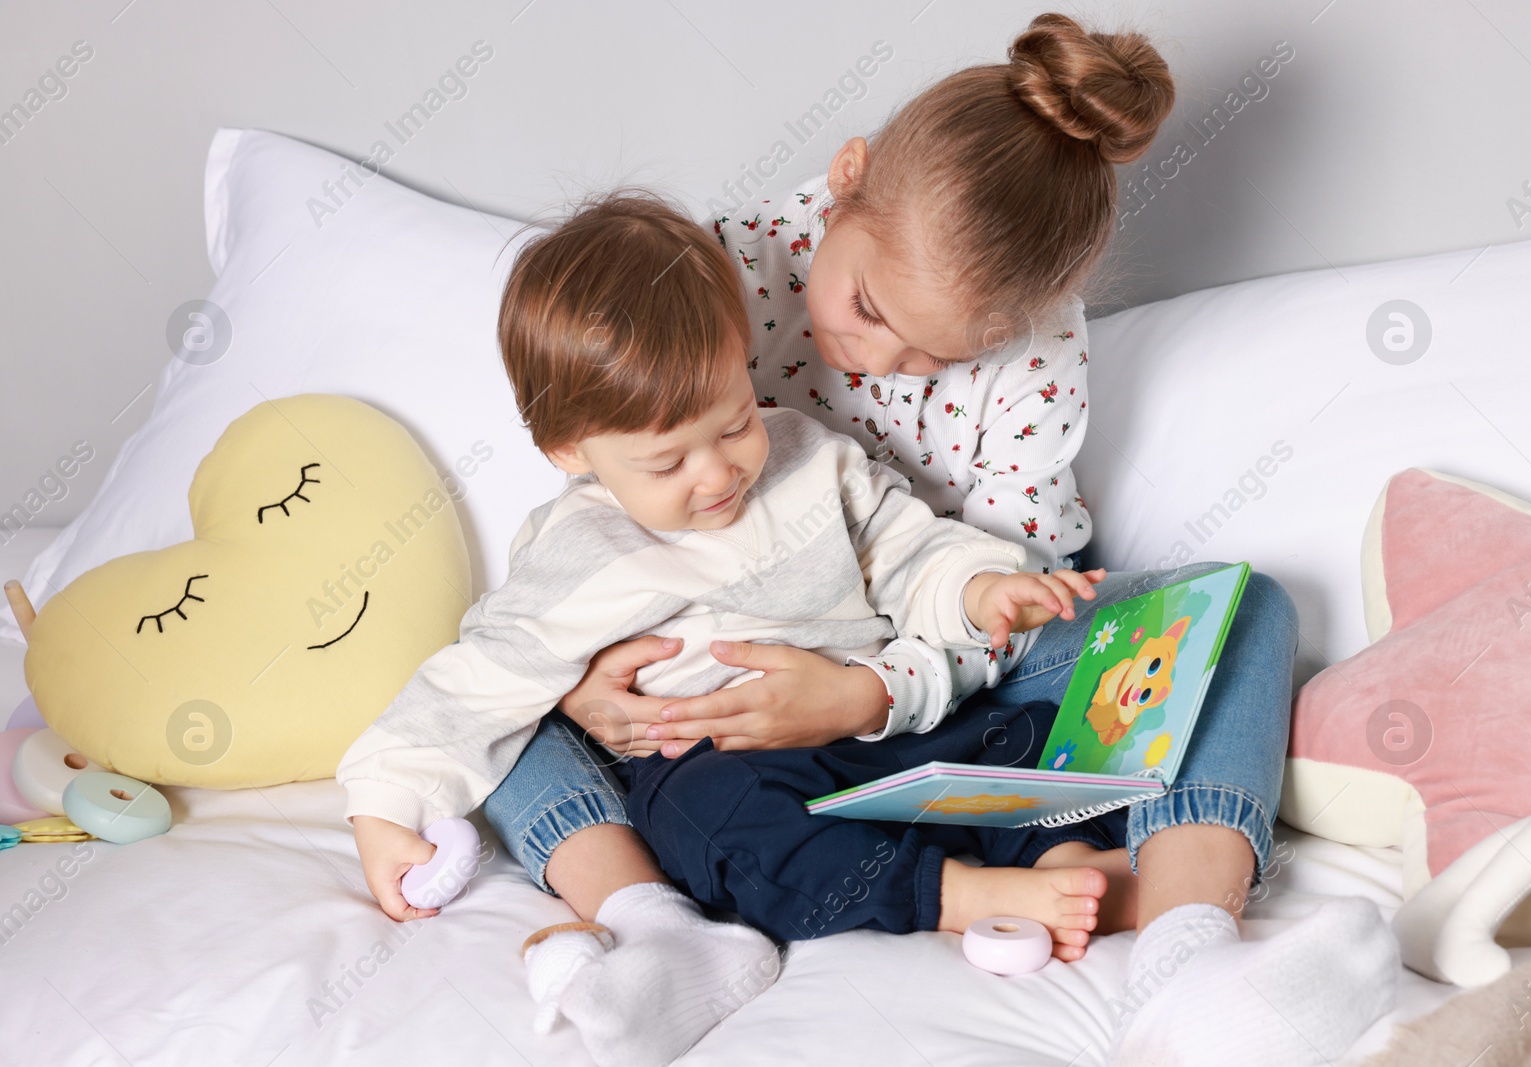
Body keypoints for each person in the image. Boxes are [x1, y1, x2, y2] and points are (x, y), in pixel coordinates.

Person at [525, 13, 1398, 1066]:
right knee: (478, 695)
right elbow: (612, 480)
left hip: (946, 656)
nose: (875, 357)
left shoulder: (1035, 361)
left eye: (933, 354)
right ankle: (653, 927)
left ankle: (1188, 948)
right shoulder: (716, 274)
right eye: (862, 304)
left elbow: (1001, 590)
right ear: (844, 180)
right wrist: (581, 680)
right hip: (724, 657)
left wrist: (865, 690)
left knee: (1242, 606)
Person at [338, 192, 1112, 1067]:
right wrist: (383, 806)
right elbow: (478, 679)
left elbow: (909, 548)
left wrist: (976, 589)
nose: (718, 473)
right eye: (667, 460)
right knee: (708, 821)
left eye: (735, 419)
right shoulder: (580, 554)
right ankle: (952, 891)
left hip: (873, 723)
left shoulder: (810, 459)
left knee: (1032, 727)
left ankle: (1068, 855)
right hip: (735, 767)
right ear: (569, 449)